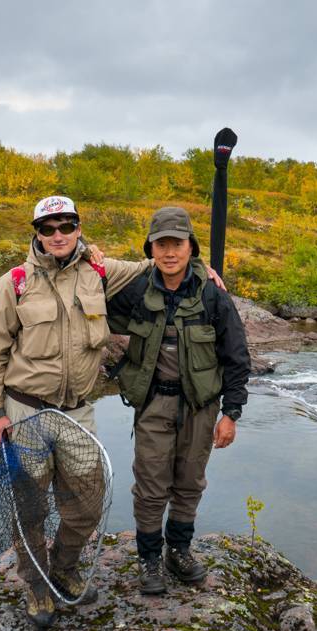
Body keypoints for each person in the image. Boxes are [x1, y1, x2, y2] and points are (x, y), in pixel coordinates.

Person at [0, 195, 152, 628]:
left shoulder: (99, 272)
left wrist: (203, 267)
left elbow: (155, 268)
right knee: (30, 508)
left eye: (66, 226)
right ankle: (38, 588)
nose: (57, 235)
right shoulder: (14, 282)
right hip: (25, 412)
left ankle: (64, 567)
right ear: (36, 233)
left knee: (87, 503)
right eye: (48, 228)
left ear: (78, 228)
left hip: (78, 413)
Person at [107, 206, 250, 595]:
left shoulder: (212, 295)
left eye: (178, 244)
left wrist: (231, 413)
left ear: (192, 247)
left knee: (189, 483)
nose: (170, 252)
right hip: (152, 404)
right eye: (161, 244)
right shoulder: (135, 290)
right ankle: (150, 558)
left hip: (201, 408)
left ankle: (179, 551)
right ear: (151, 249)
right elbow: (89, 297)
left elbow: (237, 356)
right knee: (151, 485)